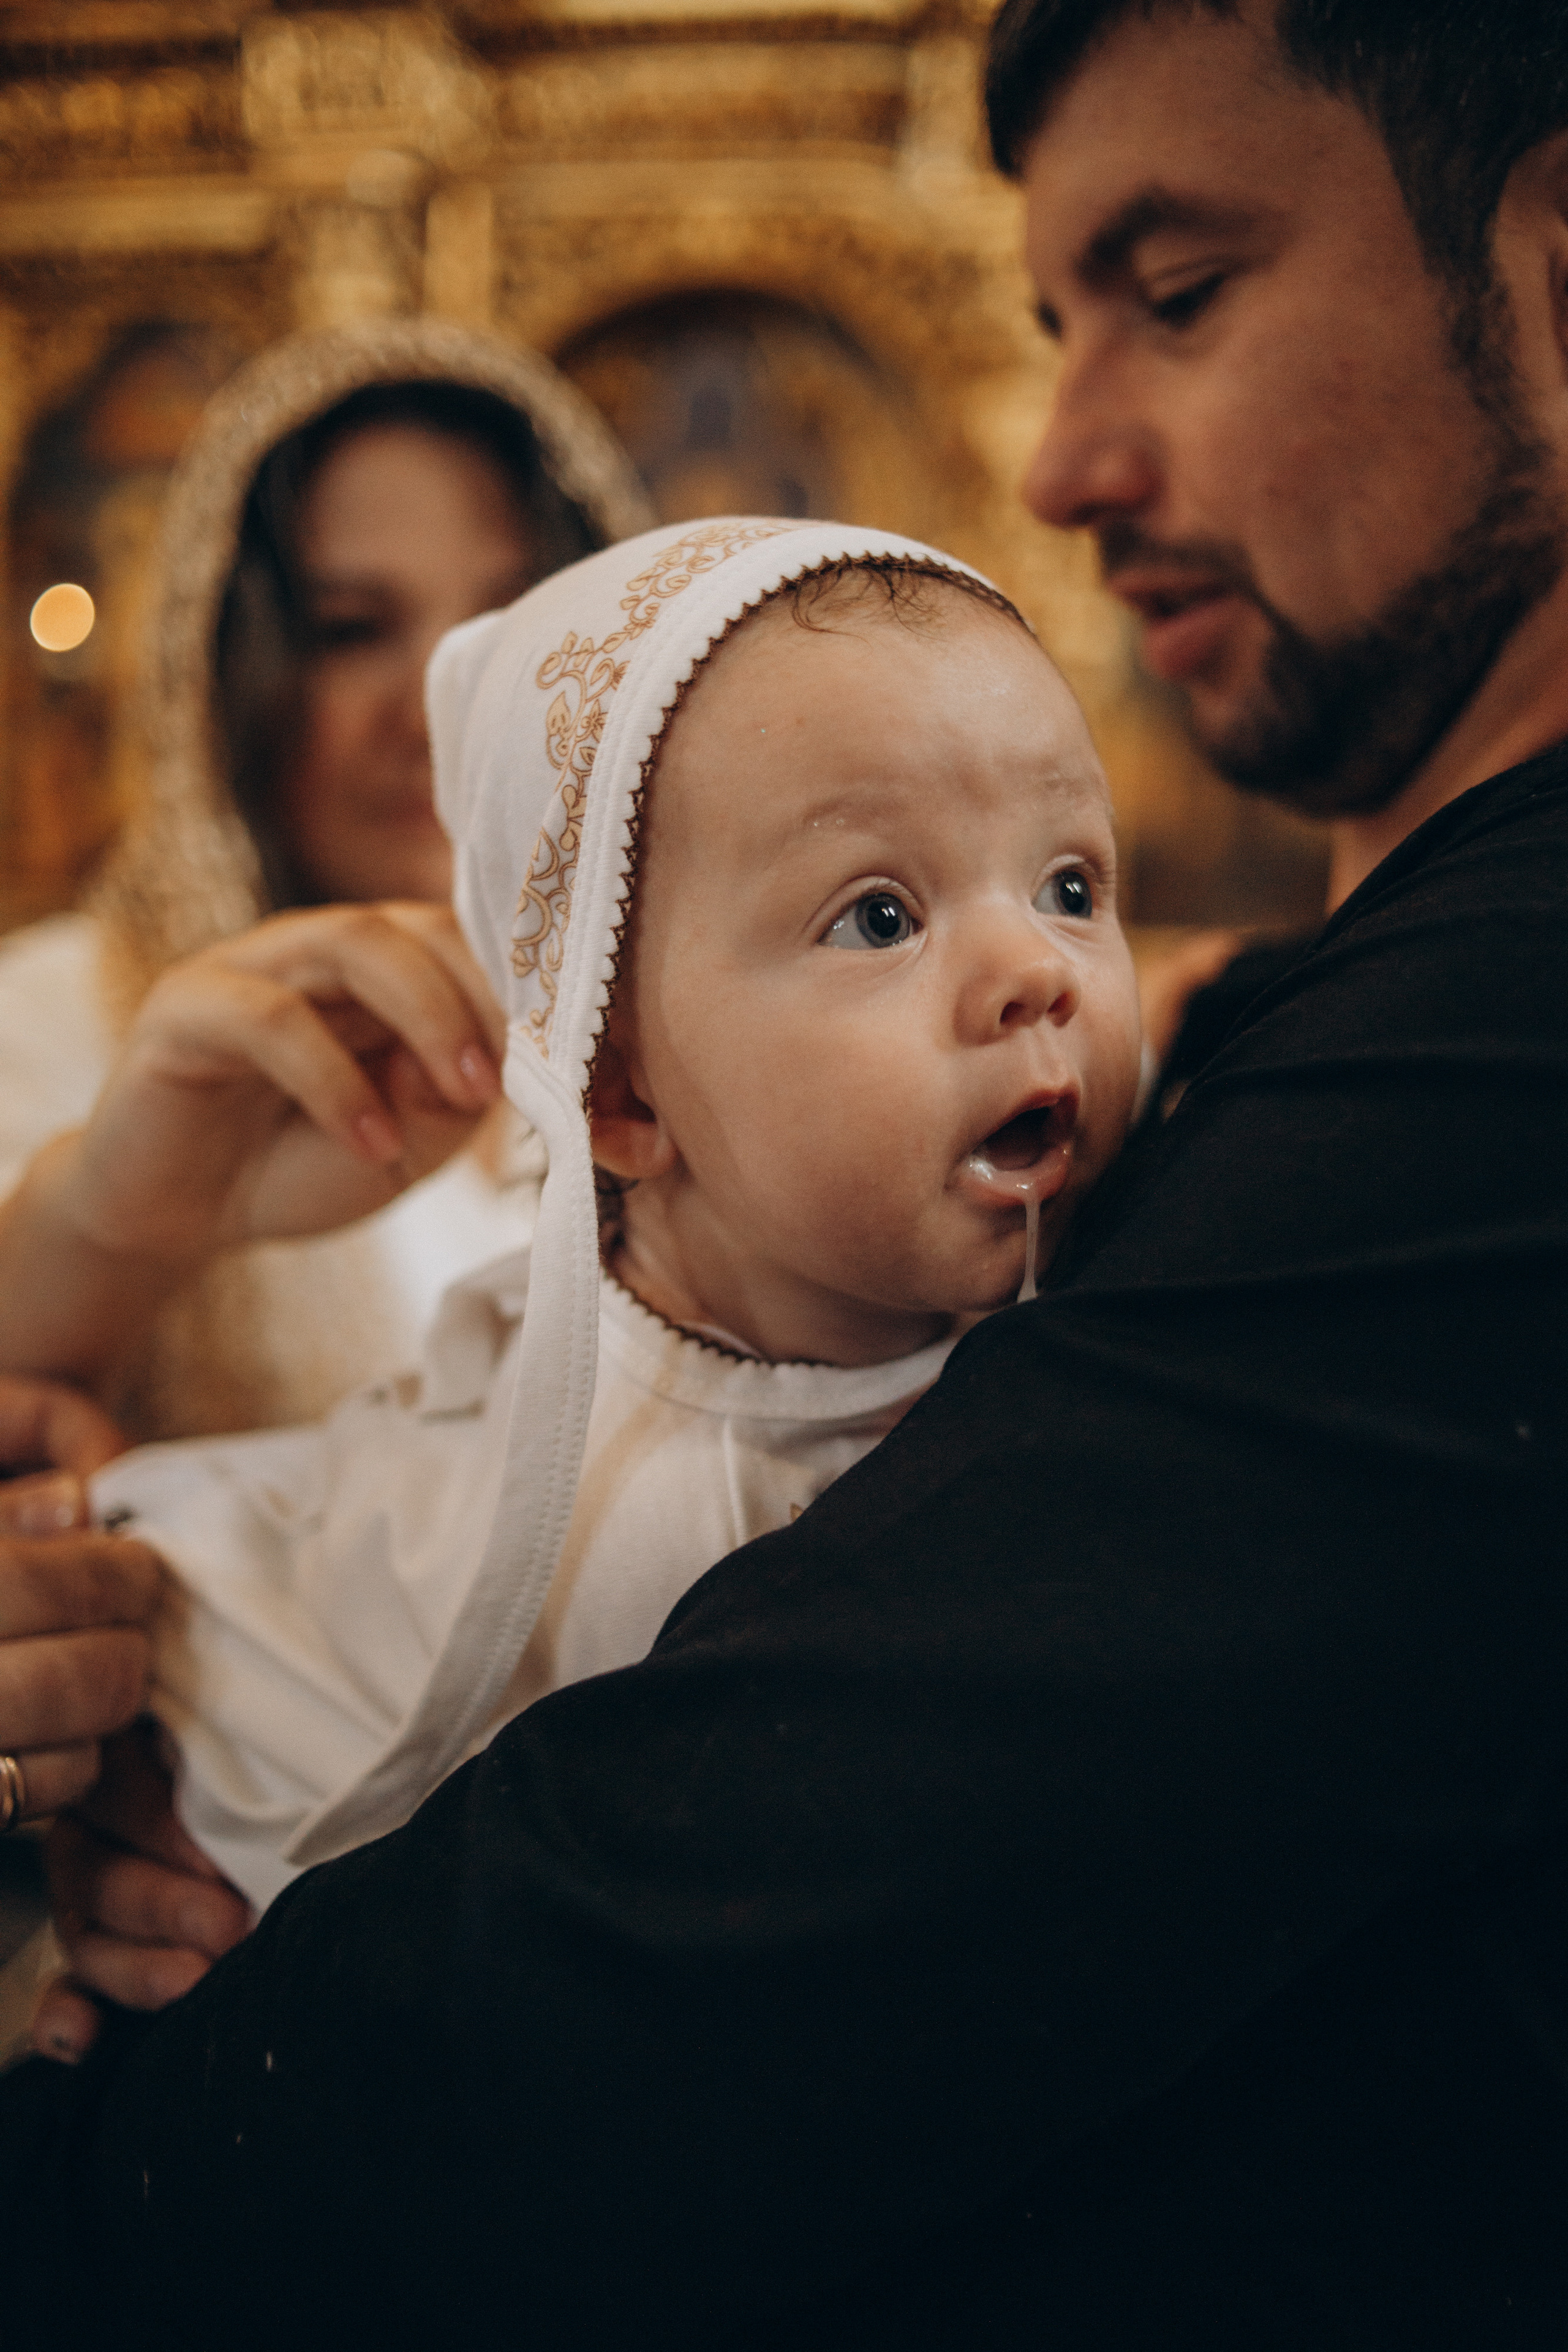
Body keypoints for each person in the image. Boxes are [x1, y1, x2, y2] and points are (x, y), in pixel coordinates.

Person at [3, 1, 1567, 2341]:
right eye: (875, 912)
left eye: (1182, 288)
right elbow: (193, 1597)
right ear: (621, 1092)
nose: (1061, 454)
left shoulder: (1385, 1069)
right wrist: (134, 1750)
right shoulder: (337, 1154)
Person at [78, 523, 1139, 1912]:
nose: (1036, 968)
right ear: (621, 1092)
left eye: (1071, 887)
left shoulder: (1142, 1292)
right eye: (880, 917)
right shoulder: (590, 1521)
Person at [0, 318, 649, 1442]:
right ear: (228, 675)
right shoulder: (65, 1017)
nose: (444, 710)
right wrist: (108, 1225)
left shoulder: (682, 1024)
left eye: (517, 625)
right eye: (352, 631)